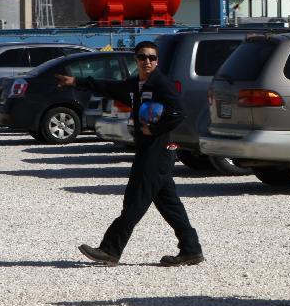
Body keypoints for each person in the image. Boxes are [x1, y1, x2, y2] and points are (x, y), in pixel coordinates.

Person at [55, 41, 204, 267]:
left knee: (134, 202)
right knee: (169, 204)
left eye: (152, 58)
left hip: (158, 151)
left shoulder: (161, 84)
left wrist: (153, 128)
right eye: (143, 57)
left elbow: (179, 113)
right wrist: (75, 81)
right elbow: (107, 86)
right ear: (136, 59)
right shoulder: (135, 84)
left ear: (157, 61)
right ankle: (191, 250)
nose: (147, 61)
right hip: (147, 150)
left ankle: (110, 250)